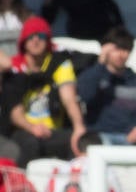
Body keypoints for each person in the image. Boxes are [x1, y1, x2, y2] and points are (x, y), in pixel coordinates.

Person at [4, 16, 86, 164]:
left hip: (53, 130)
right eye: (30, 37)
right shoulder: (15, 68)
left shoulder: (59, 64)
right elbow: (15, 113)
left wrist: (78, 127)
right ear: (23, 41)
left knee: (78, 143)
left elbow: (69, 99)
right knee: (29, 145)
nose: (36, 40)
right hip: (24, 129)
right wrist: (33, 128)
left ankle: (71, 185)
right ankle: (25, 185)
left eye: (41, 36)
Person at [75, 26, 136, 145]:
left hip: (131, 136)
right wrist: (100, 63)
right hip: (100, 134)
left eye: (125, 49)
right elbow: (84, 95)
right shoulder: (94, 75)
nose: (120, 55)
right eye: (116, 49)